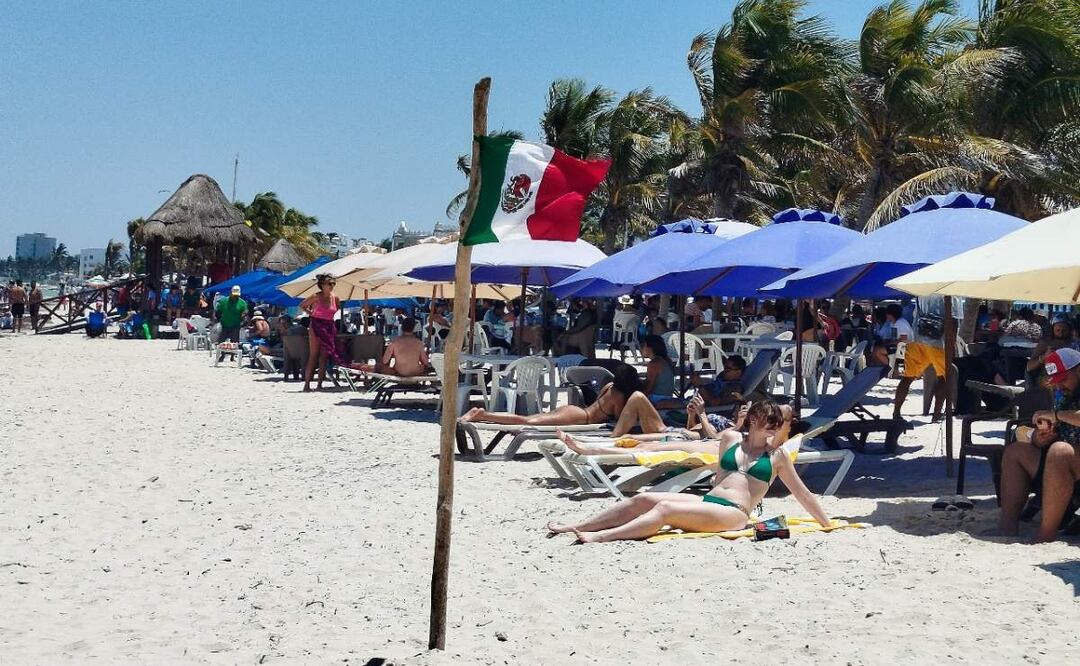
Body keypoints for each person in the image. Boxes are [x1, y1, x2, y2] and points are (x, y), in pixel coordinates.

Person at [547, 401, 832, 543]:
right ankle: (577, 526)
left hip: (733, 514)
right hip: (710, 502)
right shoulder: (731, 440)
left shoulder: (778, 456)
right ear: (754, 420)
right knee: (645, 499)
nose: (773, 427)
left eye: (776, 423)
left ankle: (601, 538)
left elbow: (802, 494)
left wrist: (828, 523)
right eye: (768, 422)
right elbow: (715, 470)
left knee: (665, 509)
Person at [999, 349, 1080, 542]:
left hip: (1068, 456)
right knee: (1016, 452)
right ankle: (1007, 529)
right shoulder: (1061, 392)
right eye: (1056, 380)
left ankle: (1046, 534)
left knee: (1059, 452)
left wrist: (1058, 416)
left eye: (1064, 378)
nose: (1060, 385)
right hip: (1064, 457)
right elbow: (1058, 429)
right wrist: (1040, 437)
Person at [461, 364, 656, 436]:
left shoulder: (609, 387)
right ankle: (482, 414)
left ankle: (483, 414)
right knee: (526, 421)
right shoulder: (620, 396)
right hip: (580, 419)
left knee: (529, 418)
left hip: (575, 410)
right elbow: (620, 420)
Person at [300, 274, 345, 391]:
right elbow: (302, 305)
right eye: (329, 283)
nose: (332, 286)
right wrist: (312, 313)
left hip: (329, 325)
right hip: (316, 325)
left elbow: (337, 309)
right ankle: (307, 385)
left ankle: (319, 384)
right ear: (322, 285)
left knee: (324, 355)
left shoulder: (335, 298)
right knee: (313, 355)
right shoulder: (316, 296)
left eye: (333, 283)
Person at [357, 317, 430, 377]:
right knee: (426, 367)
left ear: (402, 328)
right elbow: (426, 362)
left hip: (400, 372)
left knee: (378, 366)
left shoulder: (395, 342)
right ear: (413, 328)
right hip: (416, 372)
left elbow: (385, 361)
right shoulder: (419, 343)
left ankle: (358, 367)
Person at [1026, 316, 1080, 386]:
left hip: (1071, 379)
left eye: (1064, 330)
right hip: (1049, 380)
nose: (1061, 333)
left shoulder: (1075, 343)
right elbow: (1029, 367)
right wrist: (1044, 357)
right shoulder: (1046, 343)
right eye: (1058, 330)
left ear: (1069, 330)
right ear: (1052, 329)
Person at [640, 335, 676, 404]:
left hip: (657, 400)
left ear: (650, 348)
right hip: (667, 398)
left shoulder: (654, 364)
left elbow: (648, 388)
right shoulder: (665, 360)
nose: (641, 349)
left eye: (643, 346)